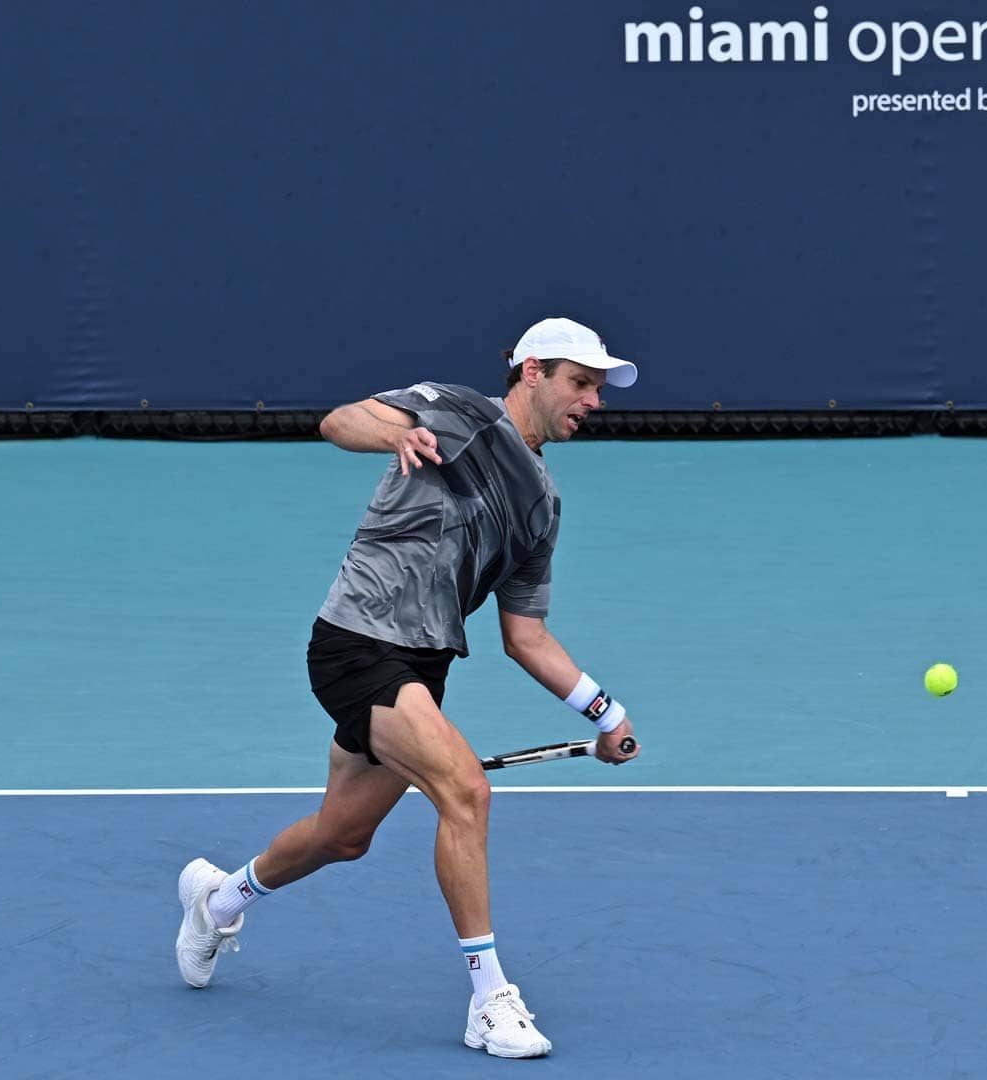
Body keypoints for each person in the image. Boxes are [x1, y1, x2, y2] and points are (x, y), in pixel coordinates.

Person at [174, 317, 643, 1058]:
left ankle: (218, 898)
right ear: (532, 373)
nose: (594, 400)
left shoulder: (540, 508)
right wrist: (390, 435)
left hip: (423, 666)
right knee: (465, 791)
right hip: (357, 642)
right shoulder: (460, 413)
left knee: (344, 835)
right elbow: (342, 419)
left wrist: (605, 710)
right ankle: (489, 1001)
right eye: (580, 383)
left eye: (597, 389)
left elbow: (525, 637)